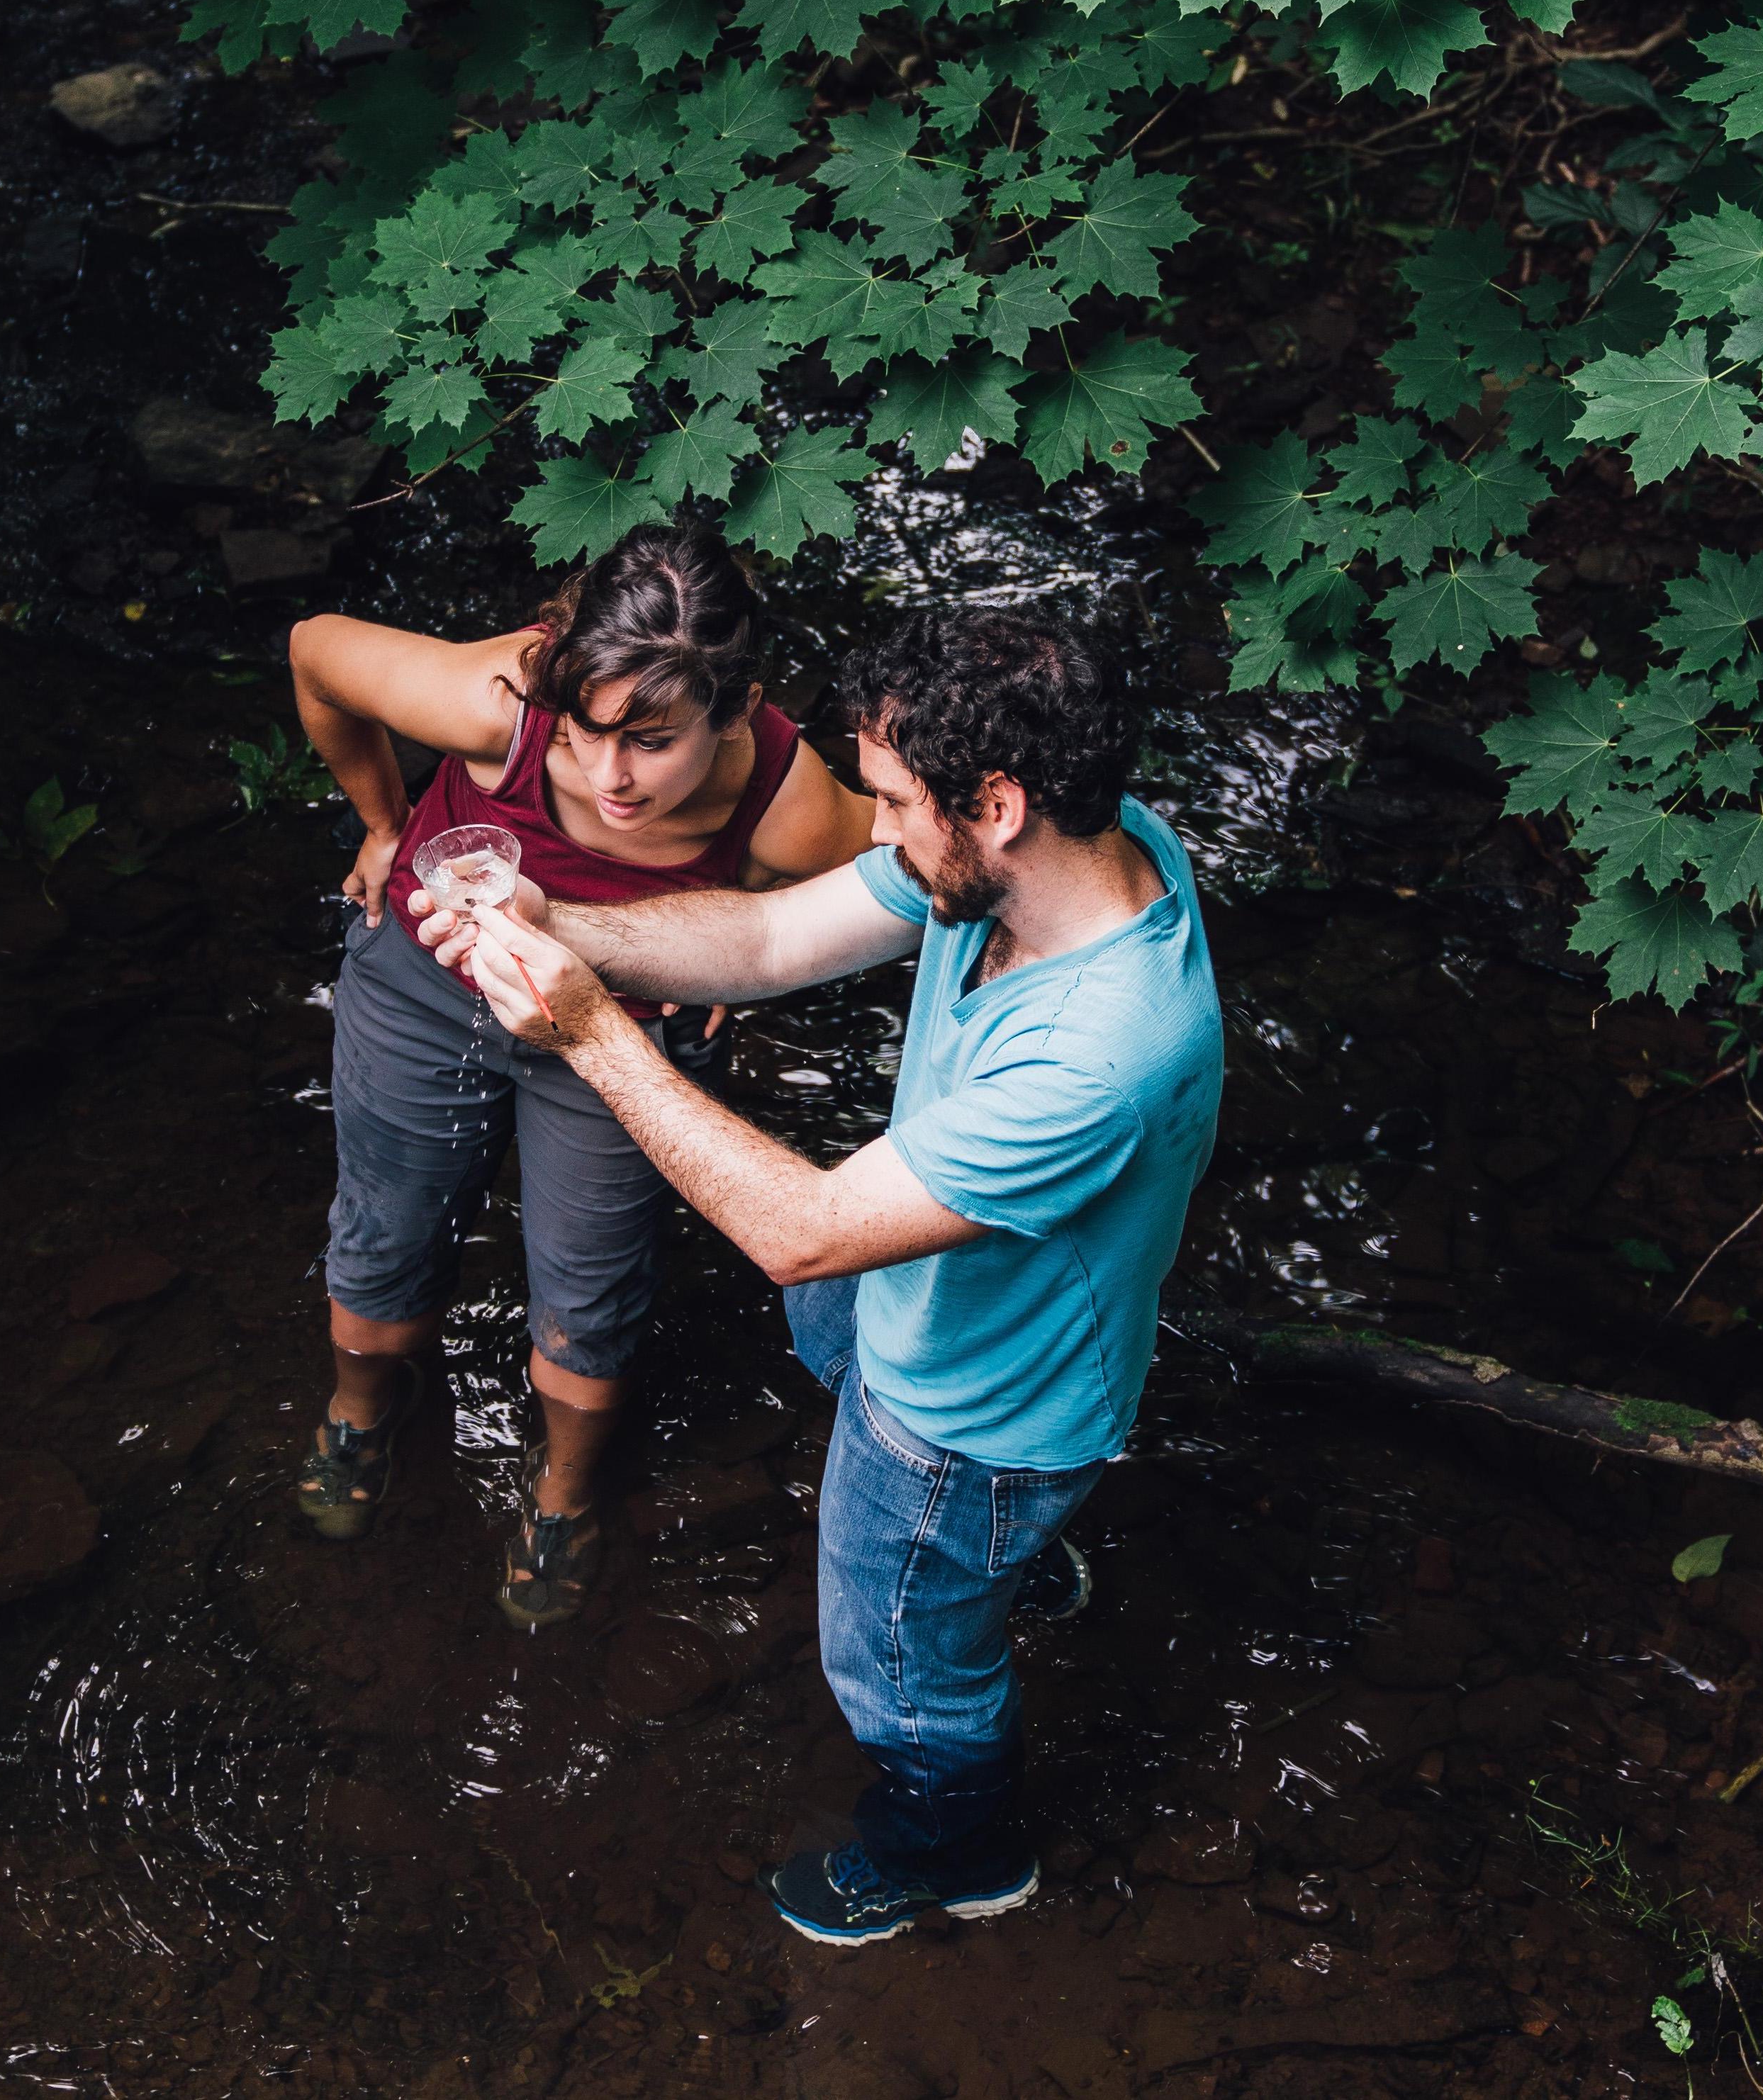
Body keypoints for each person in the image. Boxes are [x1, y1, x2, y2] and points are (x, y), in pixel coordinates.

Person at [415, 609, 1225, 1941]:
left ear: (999, 804)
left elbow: (797, 1230)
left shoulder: (1102, 1050)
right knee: (829, 1327)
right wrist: (563, 921)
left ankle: (951, 1853)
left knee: (900, 1669)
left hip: (969, 1420)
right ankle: (1007, 1568)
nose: (874, 828)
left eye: (894, 803)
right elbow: (774, 945)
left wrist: (587, 1032)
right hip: (934, 1291)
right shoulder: (1065, 845)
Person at [289, 524, 874, 1629]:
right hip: (425, 985)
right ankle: (360, 1411)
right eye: (588, 730)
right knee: (388, 1222)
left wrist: (735, 949)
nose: (612, 776)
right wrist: (379, 823)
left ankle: (560, 1496)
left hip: (622, 1030)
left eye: (653, 742)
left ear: (737, 707)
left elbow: (872, 897)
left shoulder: (793, 807)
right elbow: (317, 651)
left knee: (589, 1286)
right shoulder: (497, 703)